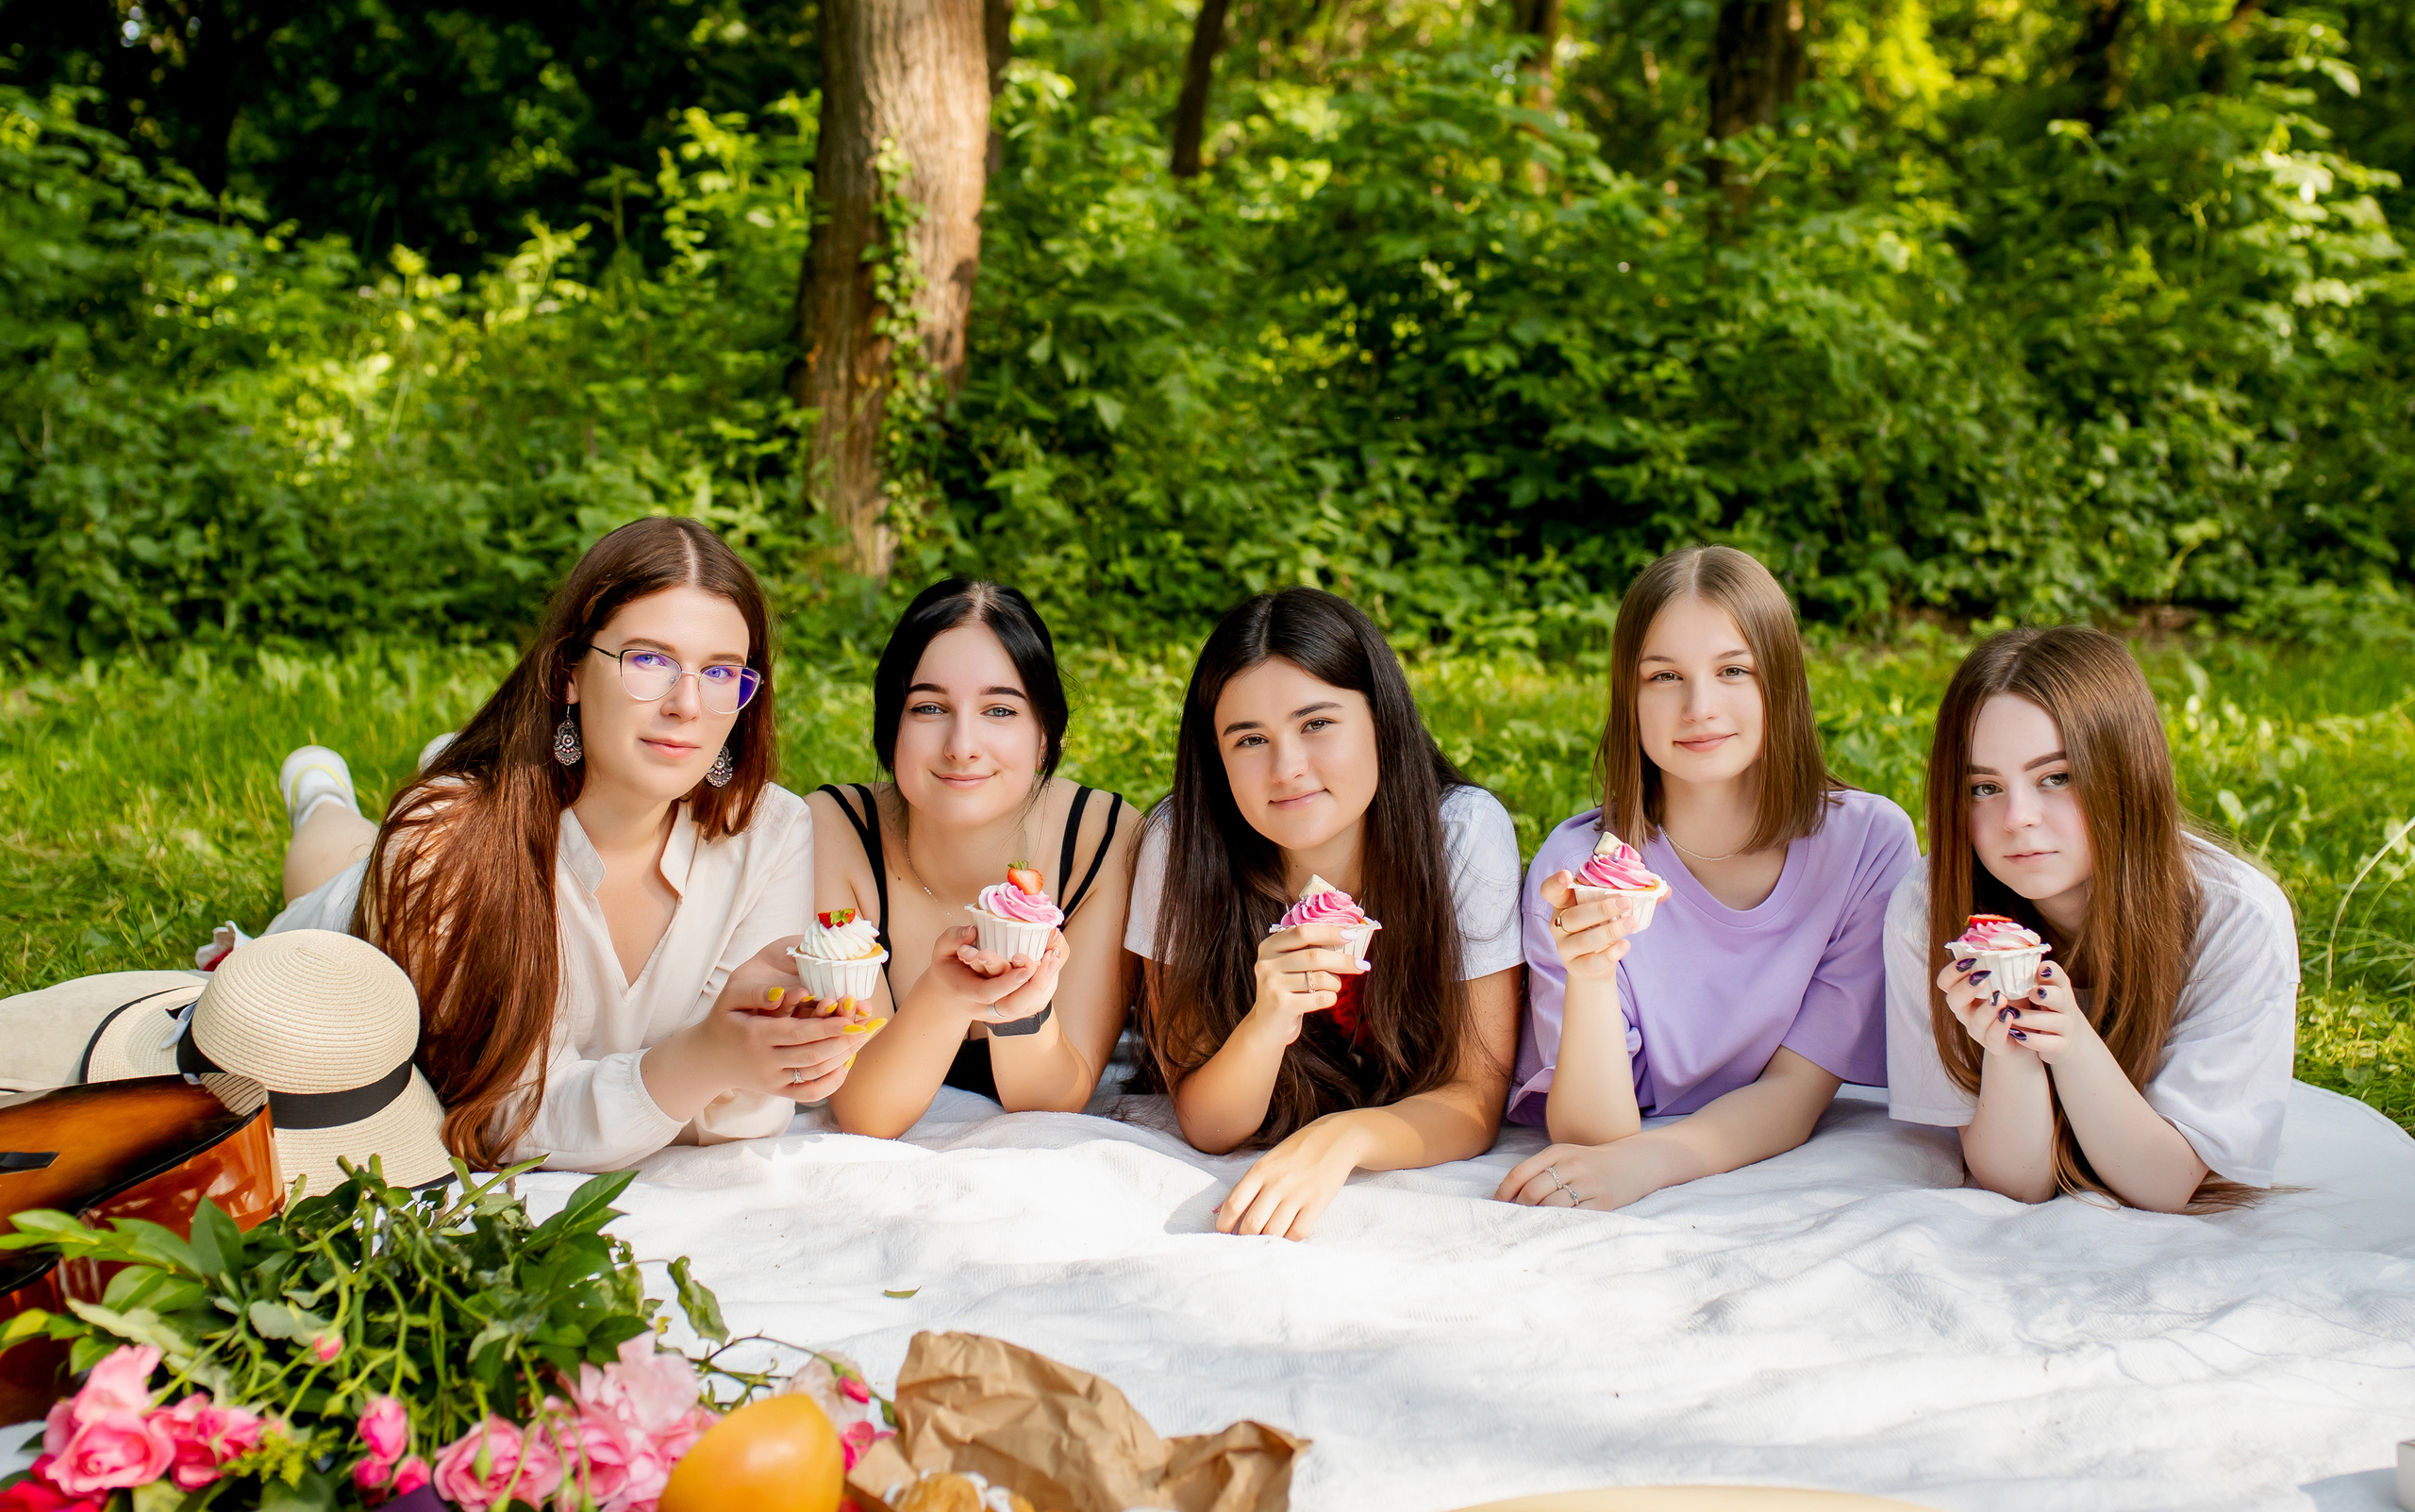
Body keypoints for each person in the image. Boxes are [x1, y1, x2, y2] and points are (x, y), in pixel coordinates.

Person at [271, 517, 849, 1171]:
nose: (688, 704)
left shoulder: (773, 831)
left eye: (721, 672)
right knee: (333, 856)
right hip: (367, 913)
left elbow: (754, 1110)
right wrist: (709, 1059)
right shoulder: (442, 844)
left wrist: (761, 1056)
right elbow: (491, 1113)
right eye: (649, 660)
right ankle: (318, 791)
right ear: (570, 672)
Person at [1497, 545, 1917, 1212]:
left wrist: (1656, 1163)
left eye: (1733, 670)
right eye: (1664, 676)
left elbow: (1794, 1090)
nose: (1699, 705)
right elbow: (1590, 1137)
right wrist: (1592, 972)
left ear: (1779, 682)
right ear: (1628, 696)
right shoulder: (1576, 867)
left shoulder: (1868, 844)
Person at [1132, 587, 1524, 1241]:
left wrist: (1342, 1138)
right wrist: (1266, 1022)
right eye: (1250, 739)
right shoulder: (1179, 847)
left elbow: (1473, 1098)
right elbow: (1206, 1121)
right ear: (1216, 758)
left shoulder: (1459, 834)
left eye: (1316, 723)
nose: (1287, 768)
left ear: (1381, 719)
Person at [1884, 626, 2296, 1211]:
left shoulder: (2235, 919)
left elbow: (2163, 1184)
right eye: (1984, 787)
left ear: (2127, 775)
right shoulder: (1929, 911)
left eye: (2057, 777)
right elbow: (2018, 1185)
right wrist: (2011, 1051)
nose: (2017, 817)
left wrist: (2073, 1044)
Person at [812, 580, 1135, 1137]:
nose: (962, 745)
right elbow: (867, 1112)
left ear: (1044, 737)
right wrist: (944, 993)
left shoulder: (1101, 839)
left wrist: (1021, 1008)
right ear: (891, 729)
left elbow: (1055, 1102)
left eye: (999, 710)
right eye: (930, 707)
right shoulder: (837, 829)